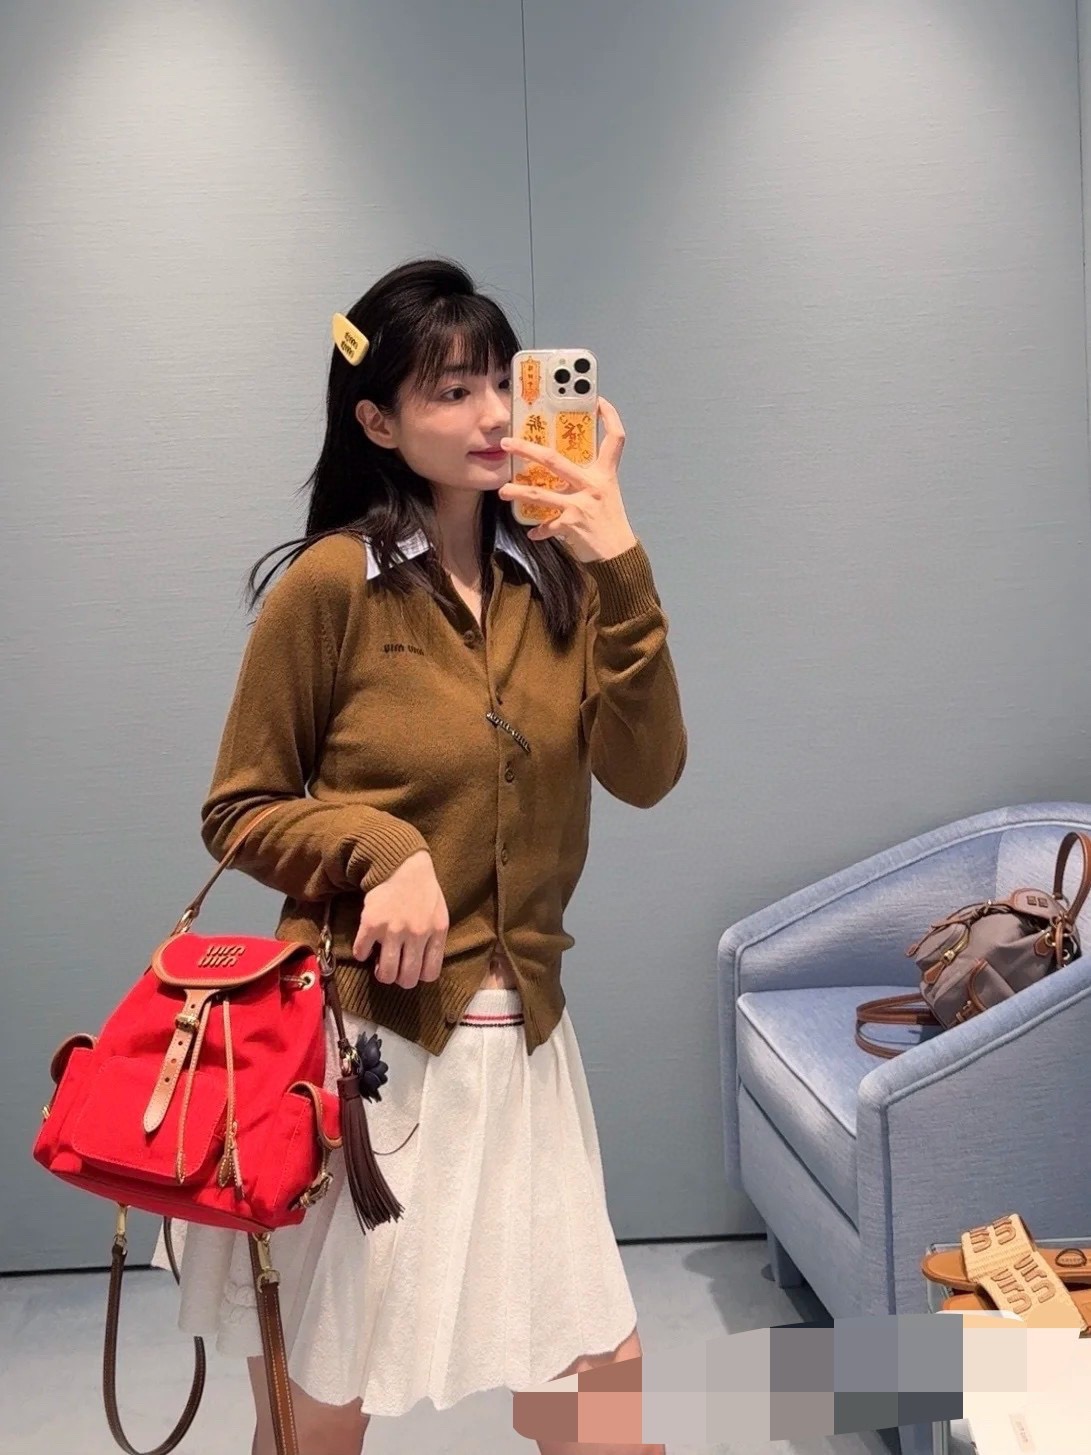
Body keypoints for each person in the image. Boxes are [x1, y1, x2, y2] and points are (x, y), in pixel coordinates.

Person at [152, 257, 687, 1455]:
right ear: (378, 423)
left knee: (598, 1394)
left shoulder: (558, 581)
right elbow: (238, 810)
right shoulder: (329, 588)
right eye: (451, 391)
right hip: (367, 1057)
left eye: (500, 380)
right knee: (321, 1410)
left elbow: (647, 771)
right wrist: (380, 847)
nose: (493, 413)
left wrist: (618, 560)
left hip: (524, 1049)